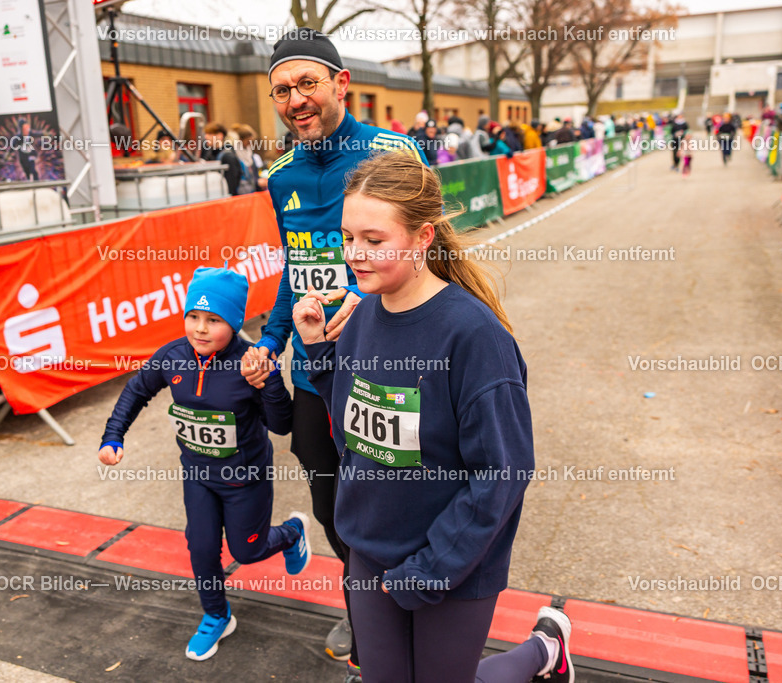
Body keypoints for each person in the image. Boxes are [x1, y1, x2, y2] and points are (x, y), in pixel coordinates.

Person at [292, 150, 574, 683]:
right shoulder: (360, 316)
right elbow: (354, 431)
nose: (355, 255)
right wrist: (320, 354)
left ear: (423, 237)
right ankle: (544, 649)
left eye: (374, 240)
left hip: (450, 566)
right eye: (347, 237)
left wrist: (428, 570)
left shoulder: (475, 337)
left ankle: (542, 650)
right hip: (369, 555)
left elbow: (503, 473)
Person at [241, 28, 428, 681]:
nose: (295, 100)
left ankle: (414, 608)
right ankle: (364, 601)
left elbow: (429, 249)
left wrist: (365, 294)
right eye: (282, 91)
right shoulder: (281, 174)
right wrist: (271, 341)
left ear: (340, 83)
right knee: (333, 507)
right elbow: (296, 271)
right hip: (316, 375)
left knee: (396, 501)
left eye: (307, 83)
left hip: (387, 368)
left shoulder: (393, 151)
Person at [98, 266, 310, 662]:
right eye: (193, 316)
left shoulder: (251, 361)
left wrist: (269, 382)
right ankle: (216, 614)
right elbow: (136, 391)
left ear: (234, 323)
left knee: (247, 552)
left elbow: (281, 426)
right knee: (201, 547)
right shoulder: (173, 356)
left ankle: (292, 532)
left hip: (245, 478)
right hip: (197, 475)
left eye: (214, 320)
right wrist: (113, 435)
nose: (200, 328)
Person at [204, 123, 245, 196]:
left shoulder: (228, 156)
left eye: (210, 134)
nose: (206, 137)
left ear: (220, 136)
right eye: (206, 134)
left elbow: (232, 184)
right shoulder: (210, 154)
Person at [232, 123, 266, 192]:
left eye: (251, 141)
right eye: (248, 141)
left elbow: (254, 170)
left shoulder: (249, 150)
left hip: (252, 186)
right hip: (242, 188)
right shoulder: (234, 153)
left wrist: (258, 181)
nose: (250, 144)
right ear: (241, 139)